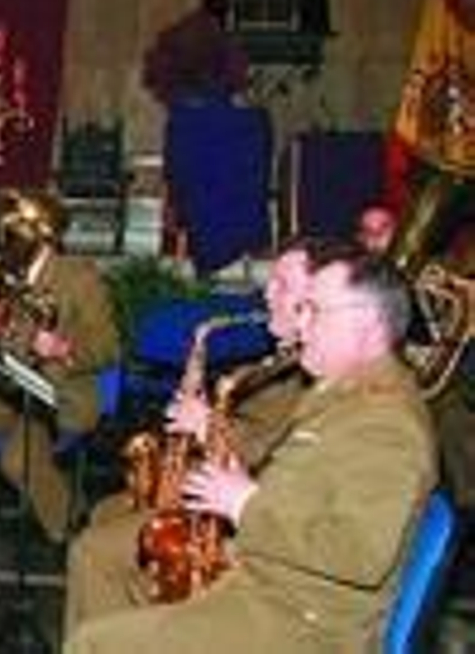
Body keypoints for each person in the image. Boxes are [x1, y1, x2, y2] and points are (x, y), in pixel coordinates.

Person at [68, 254, 437, 653]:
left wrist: (244, 503)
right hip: (268, 581)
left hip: (303, 623)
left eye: (313, 310)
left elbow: (362, 556)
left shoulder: (386, 425)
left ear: (365, 324)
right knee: (117, 587)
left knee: (95, 643)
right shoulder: (344, 393)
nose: (302, 323)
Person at [0, 189, 118, 542]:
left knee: (17, 461)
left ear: (45, 235)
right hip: (4, 387)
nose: (5, 235)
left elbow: (109, 346)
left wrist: (64, 348)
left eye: (17, 227)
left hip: (57, 392)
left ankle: (71, 527)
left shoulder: (79, 277)